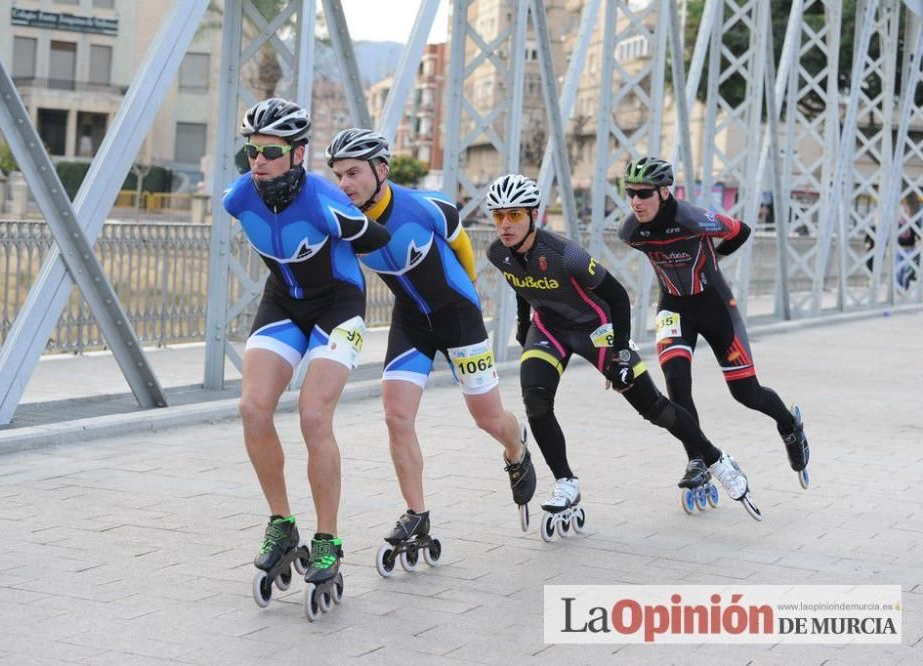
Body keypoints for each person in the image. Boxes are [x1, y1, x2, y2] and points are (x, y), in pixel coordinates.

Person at [484, 174, 761, 533]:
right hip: (549, 328)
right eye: (498, 217)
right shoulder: (496, 252)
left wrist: (620, 354)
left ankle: (715, 458)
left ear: (534, 215)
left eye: (515, 215)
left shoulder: (565, 254)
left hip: (596, 328)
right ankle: (566, 482)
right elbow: (519, 283)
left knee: (654, 409)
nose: (505, 225)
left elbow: (616, 297)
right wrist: (523, 324)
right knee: (535, 403)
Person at [326, 129, 537, 554]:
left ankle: (517, 447)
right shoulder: (344, 219)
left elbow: (461, 244)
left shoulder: (423, 207)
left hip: (458, 316)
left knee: (487, 419)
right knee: (395, 416)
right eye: (338, 175)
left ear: (381, 170)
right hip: (411, 321)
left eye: (353, 173)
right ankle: (416, 512)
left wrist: (471, 291)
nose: (344, 184)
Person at [222, 99, 391, 618]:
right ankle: (281, 522)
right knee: (253, 408)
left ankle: (328, 539)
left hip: (338, 306)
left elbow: (380, 235)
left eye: (270, 152)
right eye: (251, 150)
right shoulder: (238, 199)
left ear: (297, 155)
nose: (258, 161)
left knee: (314, 415)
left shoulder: (324, 199)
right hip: (283, 303)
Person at [617, 156, 810, 490]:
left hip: (715, 305)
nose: (635, 201)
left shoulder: (693, 218)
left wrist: (713, 257)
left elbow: (741, 231)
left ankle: (790, 424)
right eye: (630, 192)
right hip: (674, 307)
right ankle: (696, 460)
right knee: (676, 380)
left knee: (745, 393)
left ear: (664, 192)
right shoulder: (631, 231)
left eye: (644, 193)